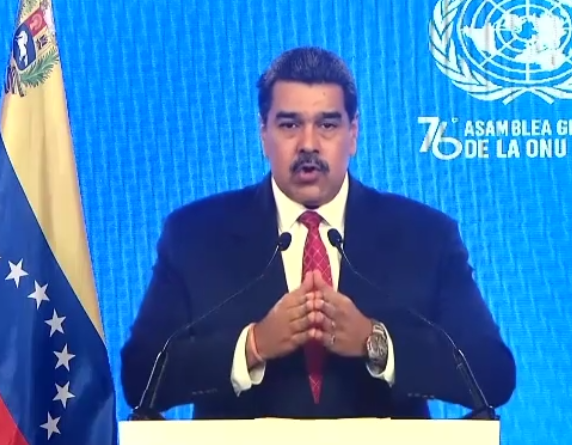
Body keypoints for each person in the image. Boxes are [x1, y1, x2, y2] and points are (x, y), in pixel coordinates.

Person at [120, 46, 516, 419]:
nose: (308, 144)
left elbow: (492, 373)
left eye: (327, 124)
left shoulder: (425, 236)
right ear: (263, 133)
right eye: (289, 124)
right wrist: (253, 345)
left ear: (353, 133)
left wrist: (375, 342)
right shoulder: (196, 235)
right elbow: (139, 377)